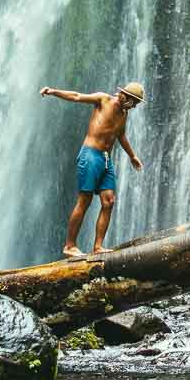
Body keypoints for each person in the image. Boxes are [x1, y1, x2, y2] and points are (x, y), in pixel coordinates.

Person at [40, 82, 146, 257]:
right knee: (85, 200)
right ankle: (70, 246)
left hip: (105, 159)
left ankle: (98, 247)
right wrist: (52, 91)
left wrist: (132, 156)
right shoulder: (103, 99)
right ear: (125, 96)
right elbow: (77, 96)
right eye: (134, 102)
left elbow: (121, 136)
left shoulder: (124, 114)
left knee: (109, 201)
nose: (134, 106)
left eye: (136, 104)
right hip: (90, 155)